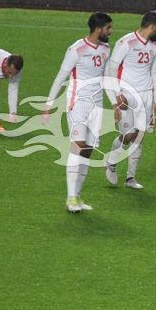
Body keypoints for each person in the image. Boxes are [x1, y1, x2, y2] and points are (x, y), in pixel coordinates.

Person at [41, 13, 113, 213]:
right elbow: (60, 77)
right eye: (108, 27)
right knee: (77, 147)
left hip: (96, 106)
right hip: (77, 104)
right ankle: (71, 199)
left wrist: (115, 103)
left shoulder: (106, 48)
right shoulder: (76, 50)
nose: (111, 31)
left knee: (88, 151)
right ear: (98, 29)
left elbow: (106, 77)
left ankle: (77, 197)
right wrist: (48, 105)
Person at [104, 11, 156, 190]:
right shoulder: (126, 42)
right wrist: (117, 95)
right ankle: (111, 162)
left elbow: (154, 72)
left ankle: (130, 178)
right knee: (128, 135)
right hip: (127, 96)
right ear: (152, 27)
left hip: (146, 96)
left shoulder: (153, 47)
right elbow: (112, 69)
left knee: (139, 136)